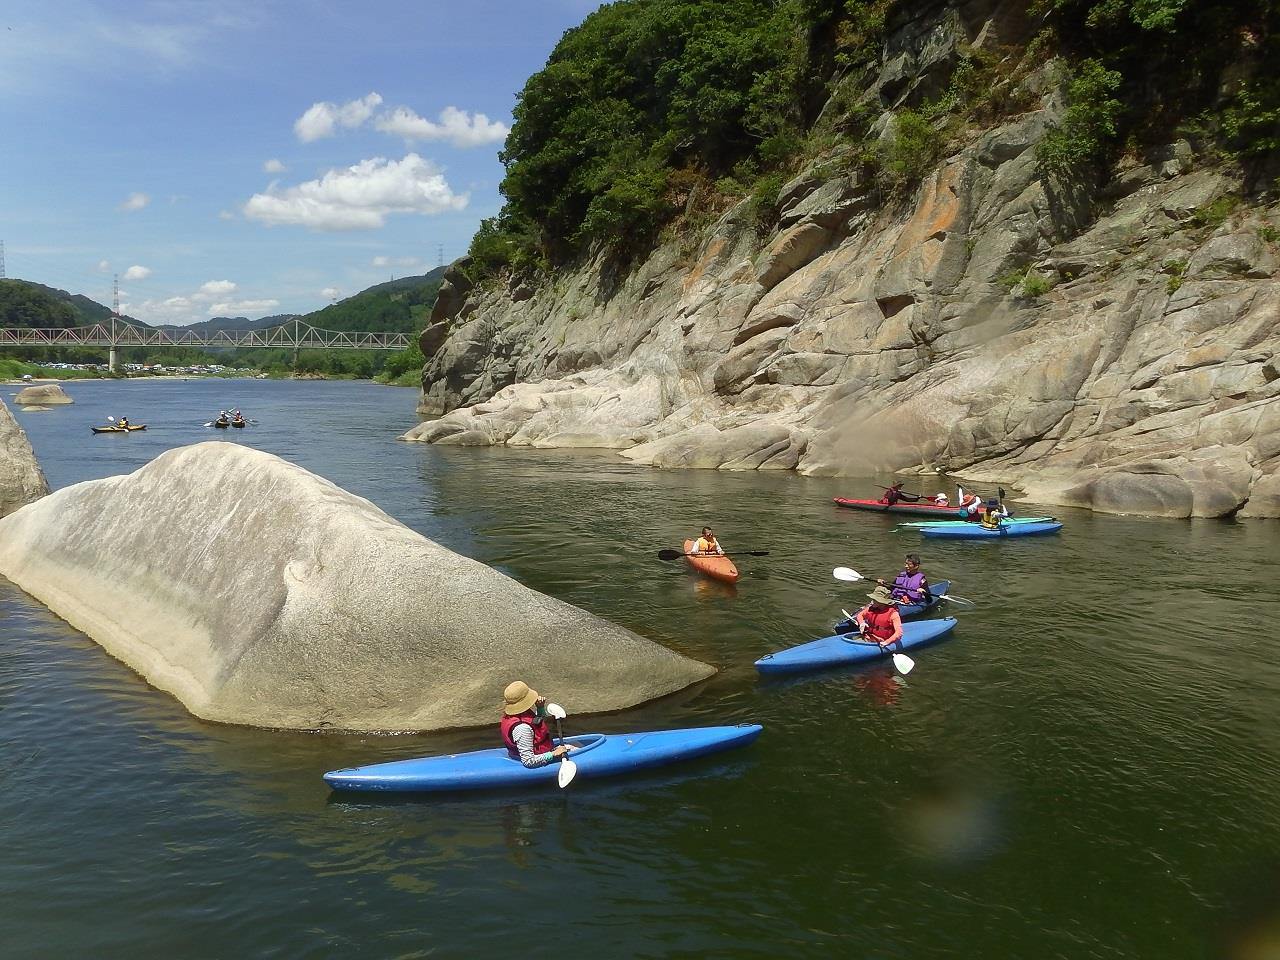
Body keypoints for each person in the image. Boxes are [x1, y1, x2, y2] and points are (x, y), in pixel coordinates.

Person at [500, 681, 575, 768]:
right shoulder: (522, 728)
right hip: (535, 759)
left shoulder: (518, 714)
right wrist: (553, 754)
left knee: (576, 745)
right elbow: (528, 761)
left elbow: (537, 726)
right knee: (576, 749)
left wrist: (540, 708)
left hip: (542, 751)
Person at [853, 584, 904, 649]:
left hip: (881, 641)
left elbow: (899, 633)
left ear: (882, 602)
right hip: (868, 638)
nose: (872, 601)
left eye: (875, 600)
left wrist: (886, 642)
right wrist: (862, 623)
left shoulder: (893, 614)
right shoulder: (871, 608)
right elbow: (860, 615)